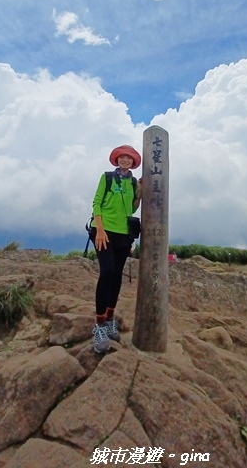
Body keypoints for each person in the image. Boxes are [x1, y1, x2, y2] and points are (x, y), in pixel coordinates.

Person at [90, 144, 142, 353]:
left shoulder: (131, 181)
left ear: (133, 163)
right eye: (122, 157)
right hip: (104, 231)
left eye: (129, 159)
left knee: (118, 276)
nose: (125, 161)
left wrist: (139, 194)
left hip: (123, 234)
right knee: (107, 272)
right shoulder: (107, 177)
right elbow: (96, 203)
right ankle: (99, 325)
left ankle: (110, 318)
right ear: (116, 159)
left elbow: (131, 208)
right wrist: (100, 230)